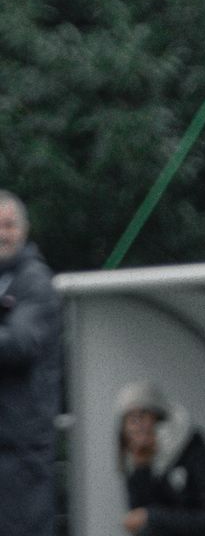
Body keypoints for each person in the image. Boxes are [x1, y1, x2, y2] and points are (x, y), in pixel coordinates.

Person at [0, 189, 62, 536]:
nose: (2, 234)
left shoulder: (35, 281)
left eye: (9, 225)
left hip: (21, 451)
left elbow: (19, 344)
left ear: (24, 230)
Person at [116, 380, 205, 536]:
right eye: (129, 419)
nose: (136, 426)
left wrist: (151, 517)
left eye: (142, 415)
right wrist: (141, 470)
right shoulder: (138, 462)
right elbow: (140, 522)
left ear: (160, 419)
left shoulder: (196, 456)